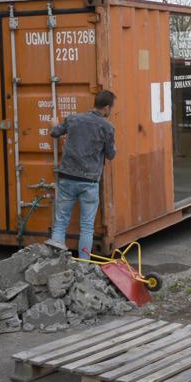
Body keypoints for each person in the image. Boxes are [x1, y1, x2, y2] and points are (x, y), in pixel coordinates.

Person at [47, 90, 117, 258]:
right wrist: (114, 149)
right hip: (89, 182)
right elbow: (110, 155)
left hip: (67, 178)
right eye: (111, 108)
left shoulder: (73, 119)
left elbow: (55, 132)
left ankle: (55, 263)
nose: (111, 111)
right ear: (106, 107)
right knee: (86, 226)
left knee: (60, 223)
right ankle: (84, 266)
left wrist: (53, 123)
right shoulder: (107, 127)